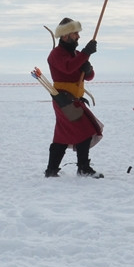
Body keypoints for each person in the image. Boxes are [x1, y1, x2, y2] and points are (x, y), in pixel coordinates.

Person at [44, 18, 104, 178]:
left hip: (74, 99)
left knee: (63, 135)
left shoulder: (76, 54)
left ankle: (51, 170)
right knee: (85, 130)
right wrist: (86, 53)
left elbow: (88, 76)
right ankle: (83, 168)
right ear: (65, 36)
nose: (78, 36)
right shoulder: (56, 54)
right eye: (75, 33)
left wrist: (88, 68)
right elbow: (68, 68)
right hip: (63, 100)